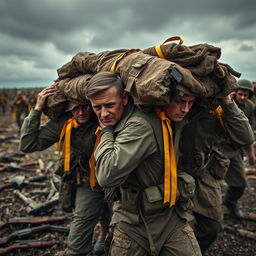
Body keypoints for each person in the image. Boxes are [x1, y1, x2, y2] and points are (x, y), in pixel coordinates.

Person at [85, 71, 201, 256]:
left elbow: (106, 175)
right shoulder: (126, 118)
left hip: (169, 216)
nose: (104, 113)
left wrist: (106, 131)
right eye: (96, 107)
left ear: (125, 98)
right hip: (131, 221)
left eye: (109, 105)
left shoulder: (138, 126)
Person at [19, 85, 111, 256]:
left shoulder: (105, 116)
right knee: (81, 224)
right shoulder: (64, 123)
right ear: (69, 109)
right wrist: (37, 109)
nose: (81, 112)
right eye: (75, 108)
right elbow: (27, 144)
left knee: (110, 213)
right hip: (88, 181)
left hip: (117, 178)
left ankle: (104, 235)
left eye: (85, 107)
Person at [178, 93, 254, 254]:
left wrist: (227, 102)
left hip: (201, 172)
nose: (185, 107)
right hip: (171, 173)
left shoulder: (215, 108)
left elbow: (246, 136)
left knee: (211, 226)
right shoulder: (173, 101)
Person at [223, 79, 256, 220]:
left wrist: (251, 153)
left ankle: (229, 202)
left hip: (235, 150)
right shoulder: (226, 103)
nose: (242, 98)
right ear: (235, 92)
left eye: (245, 95)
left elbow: (248, 131)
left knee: (240, 184)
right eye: (240, 94)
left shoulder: (250, 107)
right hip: (217, 148)